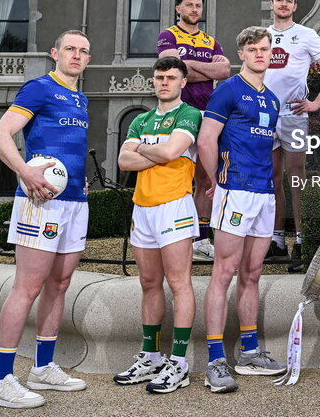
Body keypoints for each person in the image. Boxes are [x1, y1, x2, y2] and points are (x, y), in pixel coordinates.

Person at [0, 30, 91, 409]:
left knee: (59, 284)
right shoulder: (39, 88)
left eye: (83, 52)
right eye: (70, 50)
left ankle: (43, 368)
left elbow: (68, 151)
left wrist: (80, 179)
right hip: (39, 201)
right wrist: (24, 173)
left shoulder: (81, 98)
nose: (76, 56)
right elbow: (1, 136)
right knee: (26, 288)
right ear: (55, 53)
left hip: (75, 202)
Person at [198, 27, 287, 393]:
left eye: (265, 49)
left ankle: (249, 352)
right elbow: (206, 139)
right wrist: (217, 181)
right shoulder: (228, 90)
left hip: (264, 193)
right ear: (242, 53)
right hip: (234, 190)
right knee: (224, 272)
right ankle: (215, 360)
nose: (260, 54)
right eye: (253, 49)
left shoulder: (273, 99)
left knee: (252, 273)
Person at [114, 56, 202, 394]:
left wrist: (149, 150)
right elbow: (124, 160)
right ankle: (150, 356)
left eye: (170, 77)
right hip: (143, 207)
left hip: (174, 205)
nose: (164, 82)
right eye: (159, 77)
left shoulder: (189, 114)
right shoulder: (142, 119)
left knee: (179, 283)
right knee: (150, 282)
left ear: (182, 82)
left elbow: (171, 153)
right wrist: (161, 150)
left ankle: (178, 361)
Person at [264, 0, 320, 268]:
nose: (283, 4)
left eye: (288, 0)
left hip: (294, 115)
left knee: (296, 178)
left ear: (295, 6)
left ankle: (301, 239)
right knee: (271, 179)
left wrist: (317, 102)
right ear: (272, 4)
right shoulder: (263, 36)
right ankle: (277, 240)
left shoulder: (306, 35)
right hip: (266, 117)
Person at [157, 0, 231, 262]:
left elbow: (224, 71)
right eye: (189, 5)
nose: (194, 10)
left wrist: (187, 65)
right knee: (177, 174)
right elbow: (173, 71)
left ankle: (200, 239)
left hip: (208, 113)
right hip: (179, 112)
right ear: (179, 8)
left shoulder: (211, 41)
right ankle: (172, 235)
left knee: (205, 177)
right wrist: (200, 68)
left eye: (198, 6)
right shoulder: (168, 35)